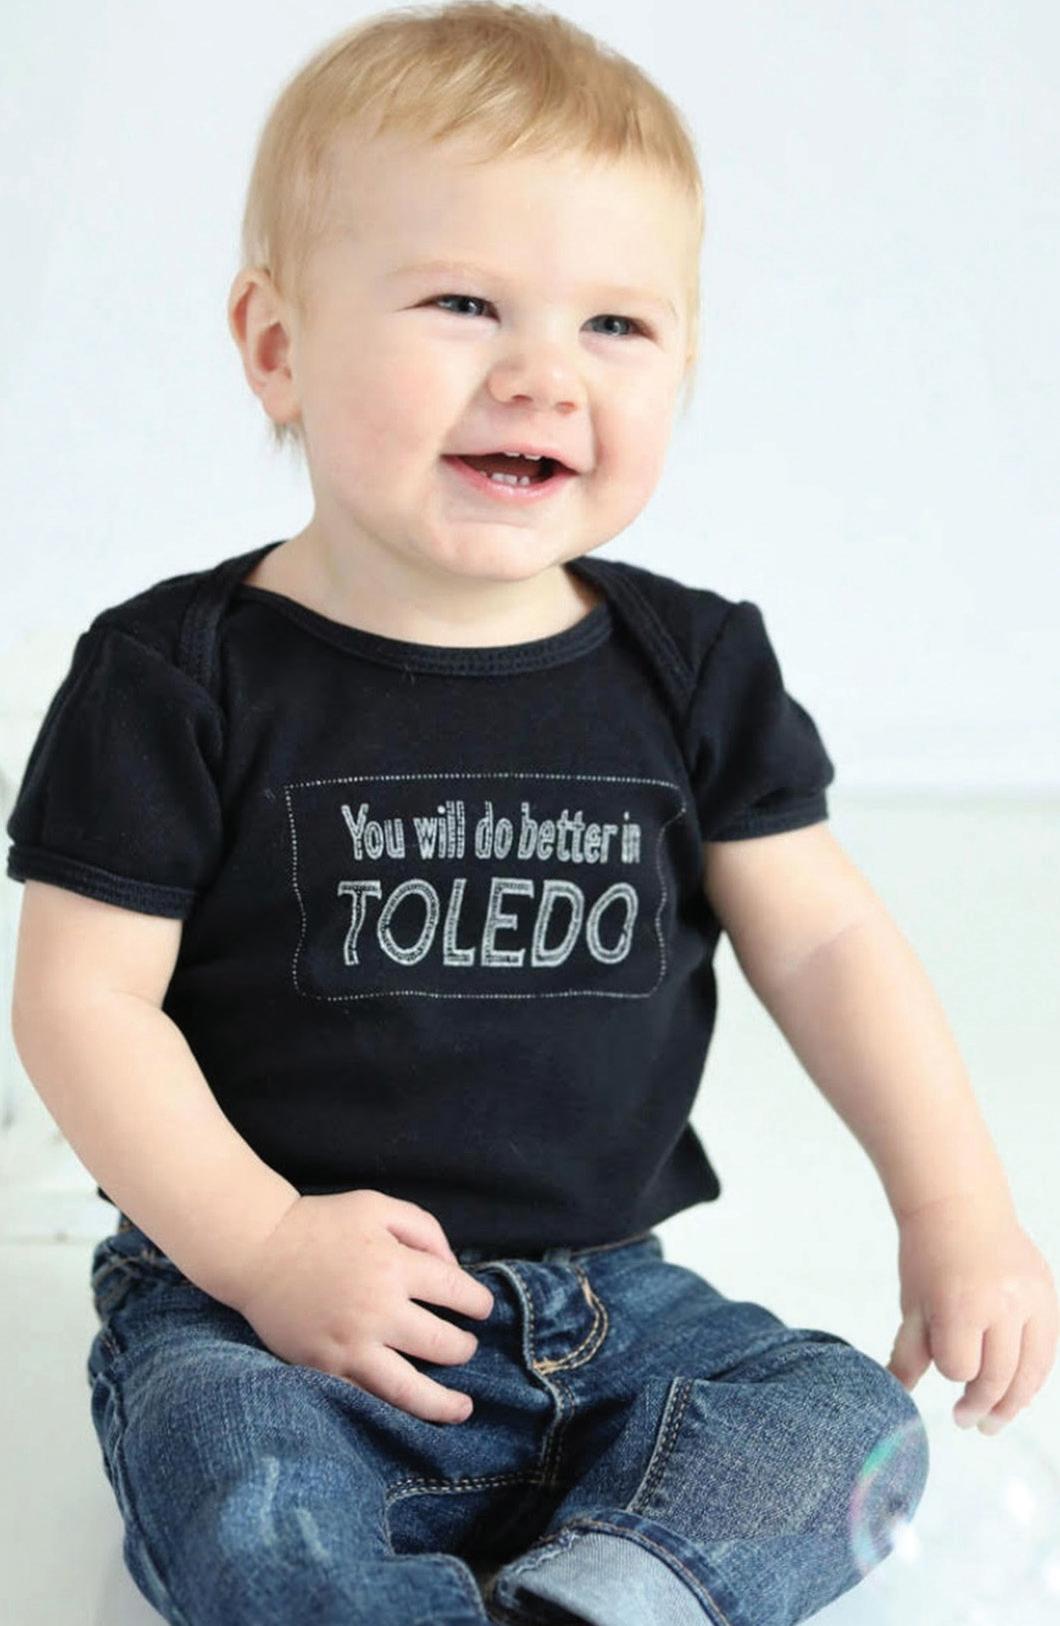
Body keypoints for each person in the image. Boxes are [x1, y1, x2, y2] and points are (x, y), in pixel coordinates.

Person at [7, 5, 1055, 1624]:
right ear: (276, 344)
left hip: (610, 1309)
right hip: (273, 1312)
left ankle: (607, 1588)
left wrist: (958, 1207)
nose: (542, 374)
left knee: (844, 1421)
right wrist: (266, 1245)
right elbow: (81, 1002)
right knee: (237, 1472)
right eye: (464, 303)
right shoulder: (176, 674)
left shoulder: (689, 666)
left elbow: (830, 943)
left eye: (617, 323)